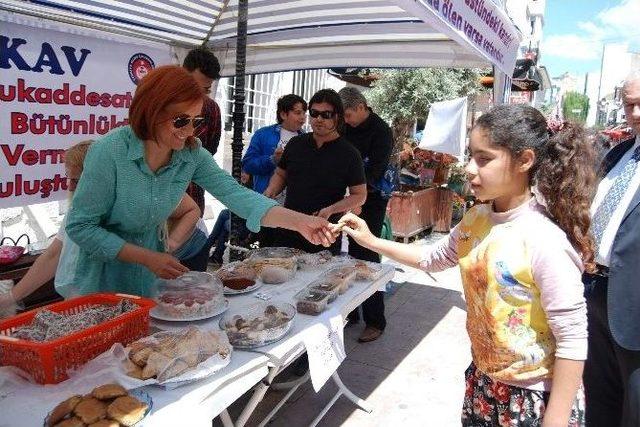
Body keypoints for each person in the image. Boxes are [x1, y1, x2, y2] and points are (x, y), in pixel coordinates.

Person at [337, 104, 594, 426]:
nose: (470, 169)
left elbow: (572, 338)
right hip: (484, 383)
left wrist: (554, 419)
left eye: (485, 159)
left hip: (533, 399)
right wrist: (371, 241)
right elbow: (434, 258)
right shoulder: (476, 219)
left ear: (525, 161)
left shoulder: (545, 239)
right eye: (471, 156)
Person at [64, 65, 335, 297]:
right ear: (151, 111)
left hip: (151, 276)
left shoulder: (190, 153)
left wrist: (302, 223)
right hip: (102, 277)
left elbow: (237, 195)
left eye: (196, 121)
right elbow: (80, 227)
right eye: (181, 121)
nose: (189, 131)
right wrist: (147, 257)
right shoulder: (109, 152)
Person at [583, 71, 640, 427]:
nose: (635, 113)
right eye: (629, 104)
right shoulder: (619, 153)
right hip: (595, 293)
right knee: (599, 400)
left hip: (634, 309)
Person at [264, 88, 367, 254]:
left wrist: (331, 210)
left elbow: (360, 195)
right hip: (289, 227)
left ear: (337, 117)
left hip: (324, 234)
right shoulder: (296, 144)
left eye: (326, 114)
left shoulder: (349, 154)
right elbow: (281, 174)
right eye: (314, 113)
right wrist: (270, 191)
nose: (318, 119)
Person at [339, 86, 393, 343]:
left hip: (371, 198)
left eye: (348, 115)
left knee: (366, 255)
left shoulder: (382, 131)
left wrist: (358, 197)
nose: (345, 121)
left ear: (361, 107)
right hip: (344, 196)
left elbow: (377, 171)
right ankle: (350, 312)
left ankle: (376, 320)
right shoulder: (344, 127)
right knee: (340, 257)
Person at [243, 94, 307, 247]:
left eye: (304, 113)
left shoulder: (307, 139)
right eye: (298, 113)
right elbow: (248, 164)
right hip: (267, 203)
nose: (303, 117)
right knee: (266, 249)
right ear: (283, 114)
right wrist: (272, 160)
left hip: (294, 207)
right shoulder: (263, 135)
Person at [182, 47, 223, 217]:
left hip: (193, 197)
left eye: (206, 90)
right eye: (194, 86)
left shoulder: (211, 109)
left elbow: (208, 154)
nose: (199, 95)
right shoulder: (158, 104)